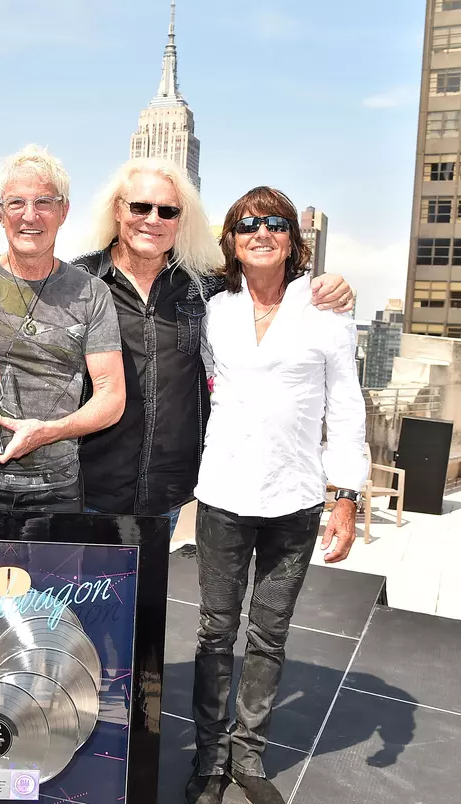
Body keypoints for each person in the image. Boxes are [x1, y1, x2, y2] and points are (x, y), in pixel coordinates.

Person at [0, 158, 354, 532]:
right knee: (83, 603)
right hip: (88, 485)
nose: (152, 220)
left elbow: (267, 287)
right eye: (140, 207)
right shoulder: (78, 282)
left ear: (182, 220)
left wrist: (328, 283)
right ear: (118, 210)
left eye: (167, 211)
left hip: (170, 491)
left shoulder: (205, 287)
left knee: (146, 605)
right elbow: (22, 298)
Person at [185, 187, 367, 804]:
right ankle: (210, 759)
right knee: (215, 632)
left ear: (293, 240)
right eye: (247, 225)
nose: (261, 232)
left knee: (269, 634)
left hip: (295, 498)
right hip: (223, 496)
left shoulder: (326, 315)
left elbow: (345, 408)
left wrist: (345, 494)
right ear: (233, 241)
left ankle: (250, 757)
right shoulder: (215, 312)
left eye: (275, 224)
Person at [0, 145, 125, 511]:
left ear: (63, 211)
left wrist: (50, 432)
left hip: (55, 490)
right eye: (16, 203)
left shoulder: (91, 293)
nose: (29, 216)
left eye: (44, 203)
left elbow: (111, 398)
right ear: (0, 214)